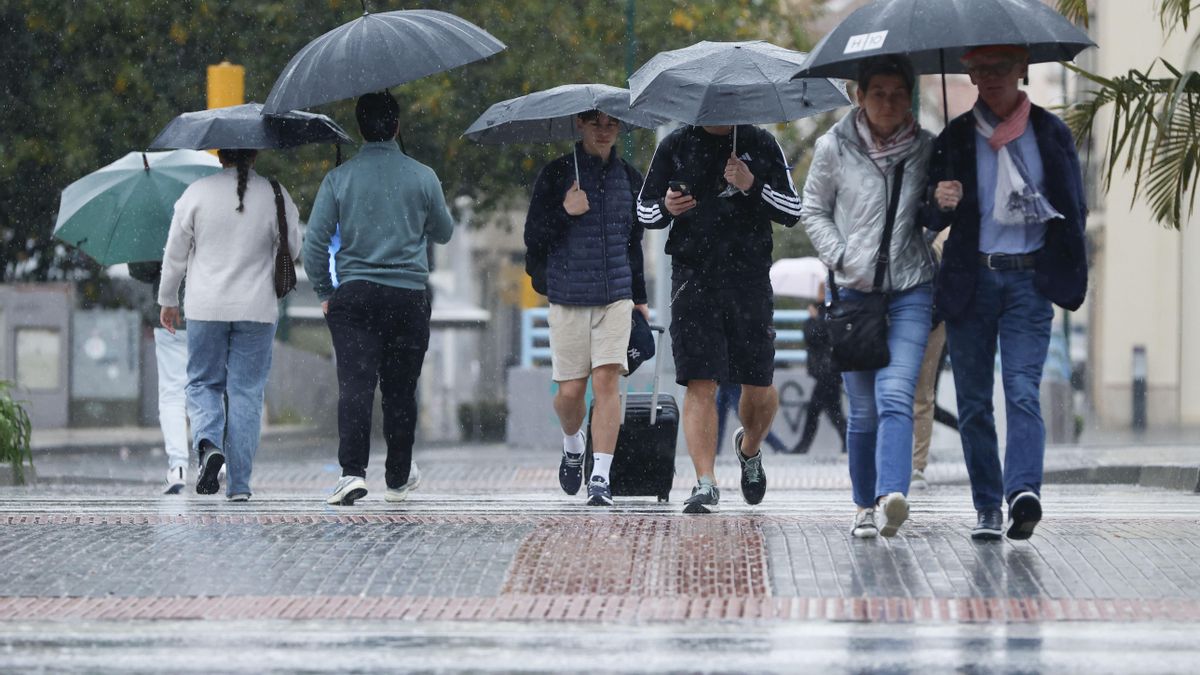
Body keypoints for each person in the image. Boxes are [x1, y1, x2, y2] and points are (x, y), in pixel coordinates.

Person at [927, 45, 1087, 541]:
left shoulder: (1051, 133)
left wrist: (1064, 272)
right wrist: (939, 200)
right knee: (974, 404)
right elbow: (928, 218)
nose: (989, 78)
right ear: (970, 76)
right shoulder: (955, 138)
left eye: (999, 68)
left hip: (1028, 283)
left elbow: (1074, 210)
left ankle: (1022, 494)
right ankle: (987, 507)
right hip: (971, 282)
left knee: (1022, 391)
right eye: (979, 70)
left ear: (1022, 70)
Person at [802, 55, 936, 538]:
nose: (888, 102)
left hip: (910, 290)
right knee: (861, 410)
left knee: (895, 392)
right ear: (859, 96)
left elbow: (932, 215)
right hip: (855, 295)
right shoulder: (832, 147)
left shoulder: (926, 148)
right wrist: (841, 258)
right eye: (877, 92)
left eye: (898, 93)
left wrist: (944, 203)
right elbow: (811, 210)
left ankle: (892, 497)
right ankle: (863, 504)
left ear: (910, 97)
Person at [638, 118, 801, 514]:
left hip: (749, 279)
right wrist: (666, 207)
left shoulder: (762, 142)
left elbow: (794, 210)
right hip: (693, 277)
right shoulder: (675, 144)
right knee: (700, 381)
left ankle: (750, 449)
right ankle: (705, 482)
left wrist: (752, 185)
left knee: (759, 388)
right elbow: (643, 211)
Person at [304, 91, 455, 507]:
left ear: (359, 128)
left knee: (355, 385)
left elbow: (314, 244)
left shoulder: (339, 178)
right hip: (408, 297)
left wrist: (325, 291)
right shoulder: (423, 176)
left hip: (355, 296)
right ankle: (399, 474)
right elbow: (444, 232)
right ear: (397, 126)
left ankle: (352, 473)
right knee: (400, 390)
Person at [159, 148, 300, 501]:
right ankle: (239, 485)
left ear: (219, 155)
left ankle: (209, 446)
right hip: (257, 309)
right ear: (254, 155)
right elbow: (293, 247)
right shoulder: (276, 195)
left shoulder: (197, 193)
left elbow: (174, 253)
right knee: (246, 393)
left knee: (203, 383)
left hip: (206, 308)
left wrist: (167, 299)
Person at [524, 111, 649, 507]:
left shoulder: (630, 177)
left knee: (607, 382)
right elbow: (533, 238)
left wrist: (640, 299)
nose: (604, 131)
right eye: (596, 123)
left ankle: (600, 476)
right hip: (568, 297)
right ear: (580, 124)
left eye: (612, 124)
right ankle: (573, 442)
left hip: (616, 296)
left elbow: (634, 244)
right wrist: (566, 211)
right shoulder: (556, 174)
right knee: (570, 393)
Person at [129, 261, 189, 494]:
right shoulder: (214, 221)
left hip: (169, 313)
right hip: (209, 311)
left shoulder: (156, 226)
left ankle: (178, 467)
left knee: (172, 393)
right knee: (209, 387)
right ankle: (215, 459)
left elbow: (139, 268)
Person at [910, 229, 958, 490]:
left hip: (932, 317)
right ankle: (905, 464)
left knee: (922, 394)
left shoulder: (945, 232)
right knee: (901, 393)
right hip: (902, 311)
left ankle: (918, 465)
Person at [789, 281, 847, 455]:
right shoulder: (818, 313)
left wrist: (816, 318)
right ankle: (847, 441)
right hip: (825, 372)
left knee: (816, 410)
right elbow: (809, 337)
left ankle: (804, 445)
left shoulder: (830, 312)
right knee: (833, 412)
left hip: (828, 371)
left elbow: (821, 335)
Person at [715, 382, 787, 455]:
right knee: (719, 415)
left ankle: (777, 445)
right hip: (728, 380)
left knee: (747, 419)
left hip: (730, 379)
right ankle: (777, 445)